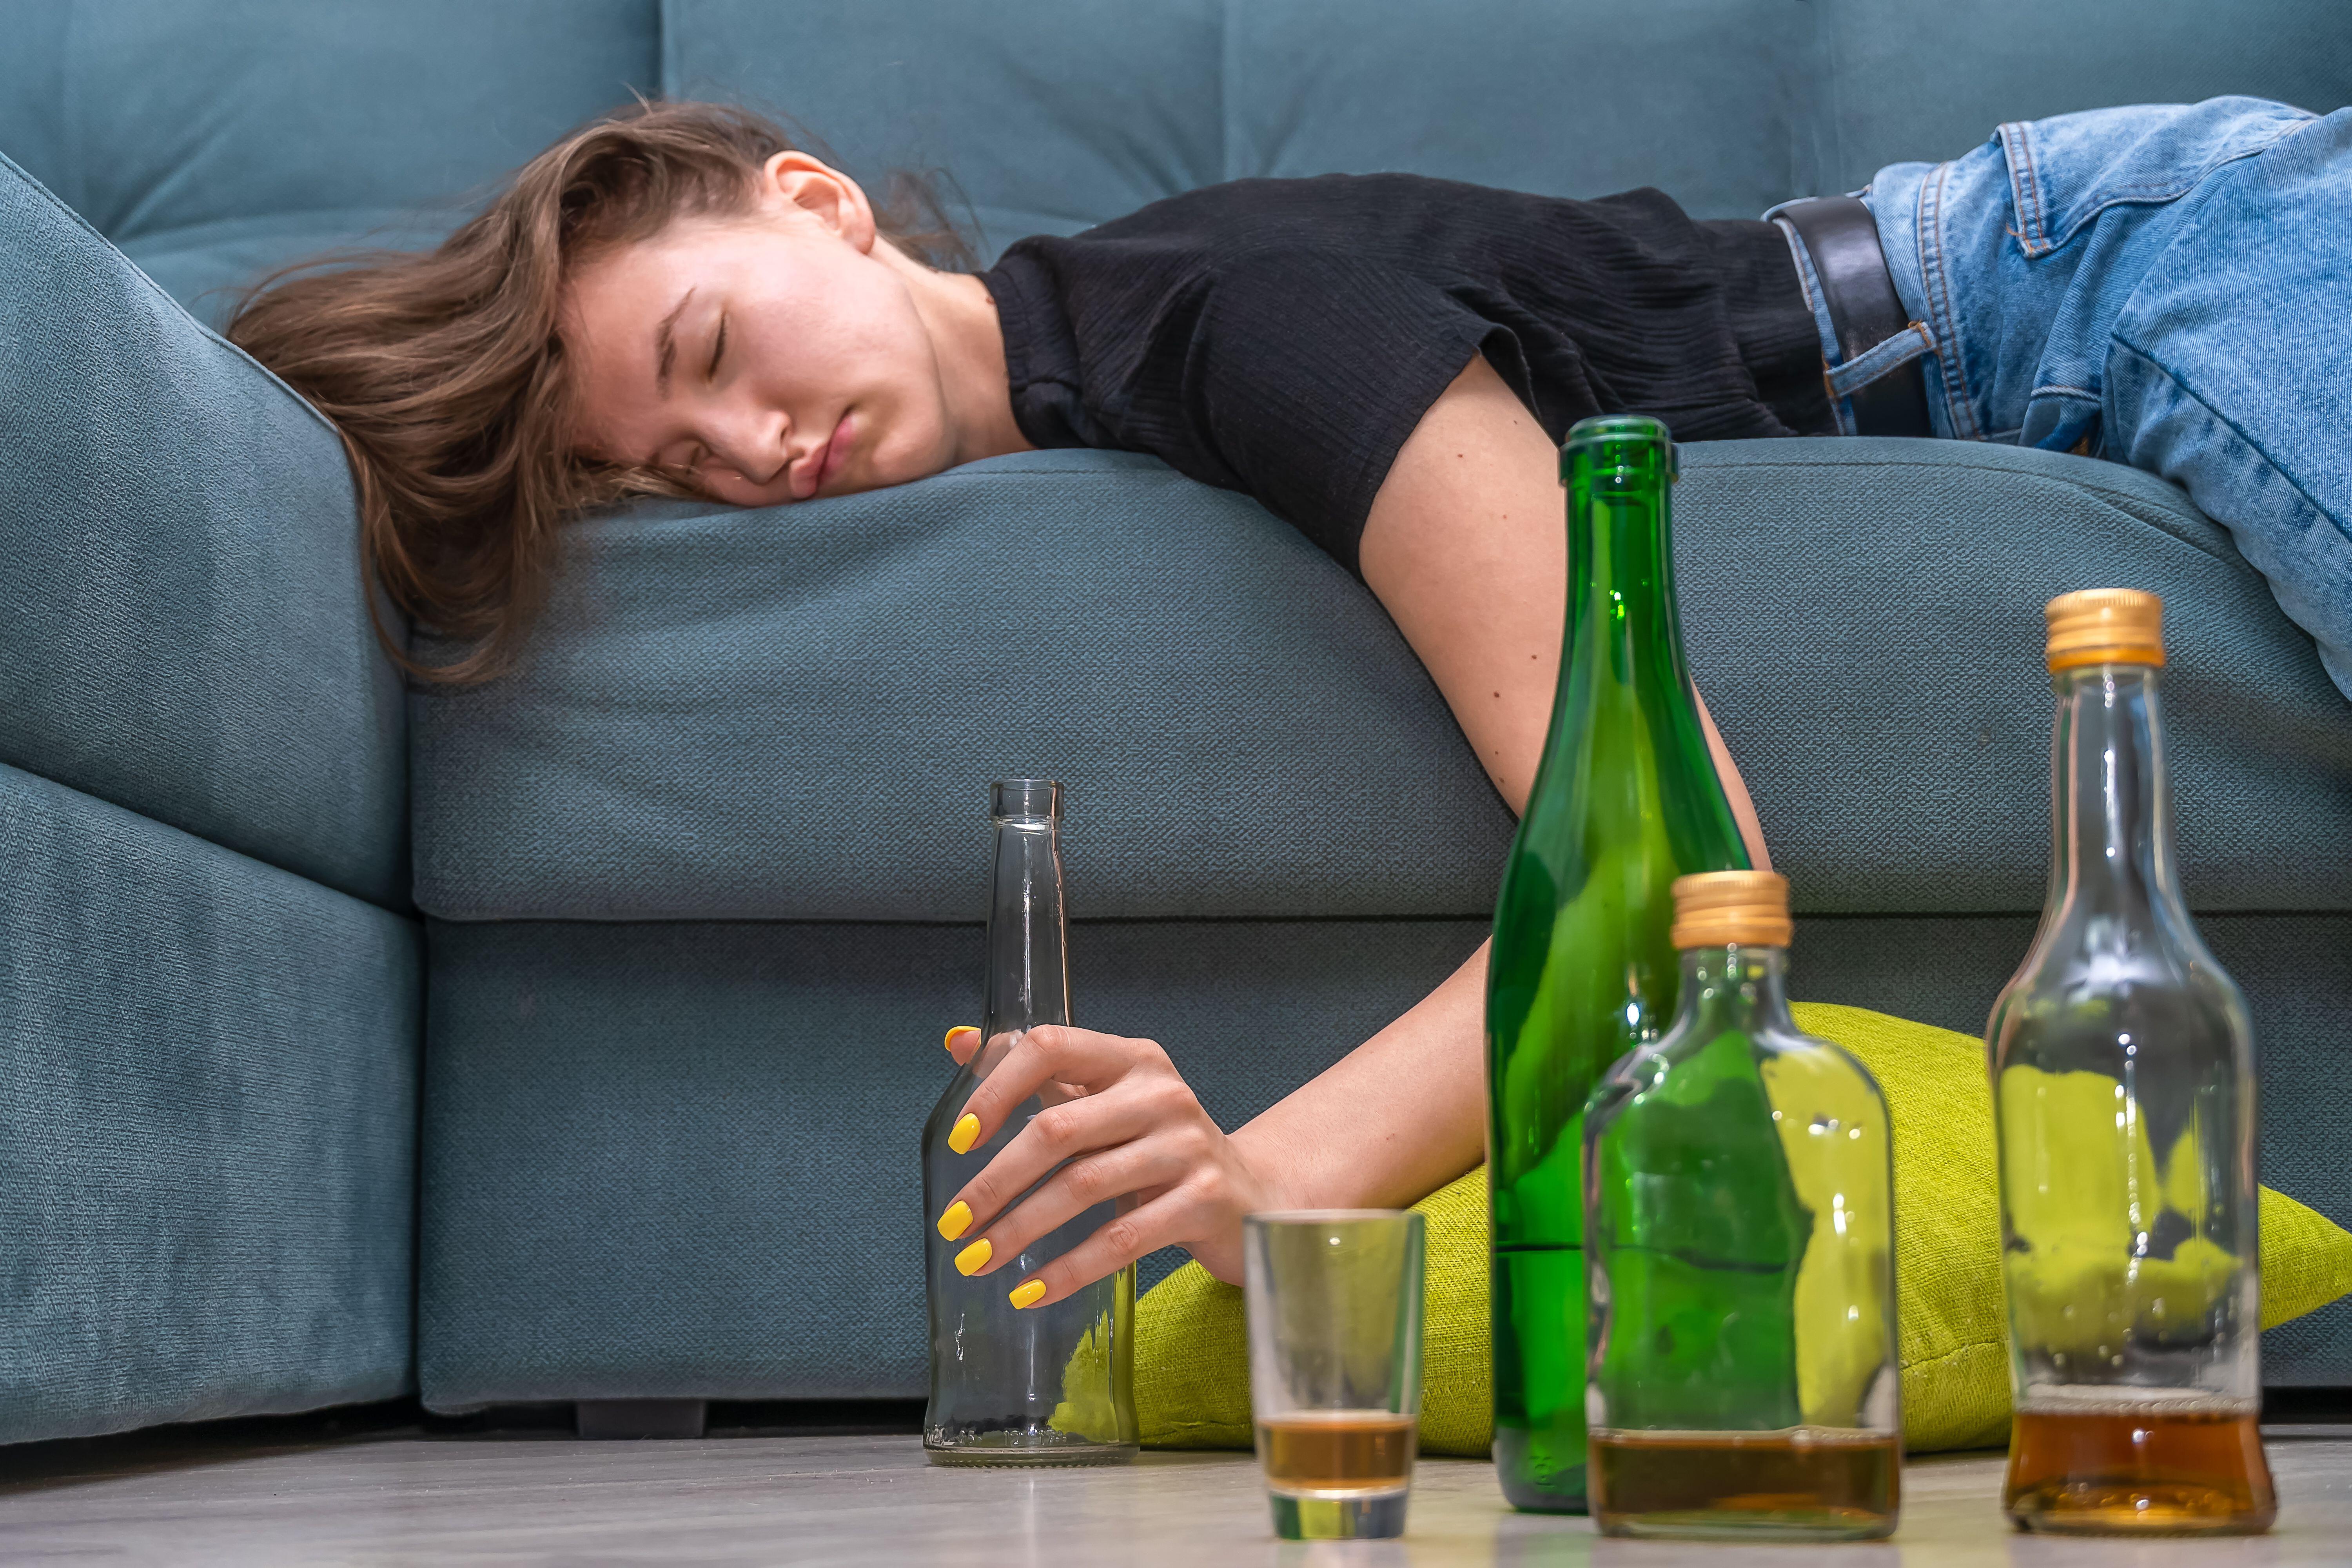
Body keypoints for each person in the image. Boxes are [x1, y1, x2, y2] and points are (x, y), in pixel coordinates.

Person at [230, 93, 2349, 1314]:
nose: (750, 445)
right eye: (677, 468)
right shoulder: (1098, 410)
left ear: (814, 198)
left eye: (712, 353)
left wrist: (1268, 1175)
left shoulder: (1233, 325)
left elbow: (1676, 849)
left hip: (2103, 271)